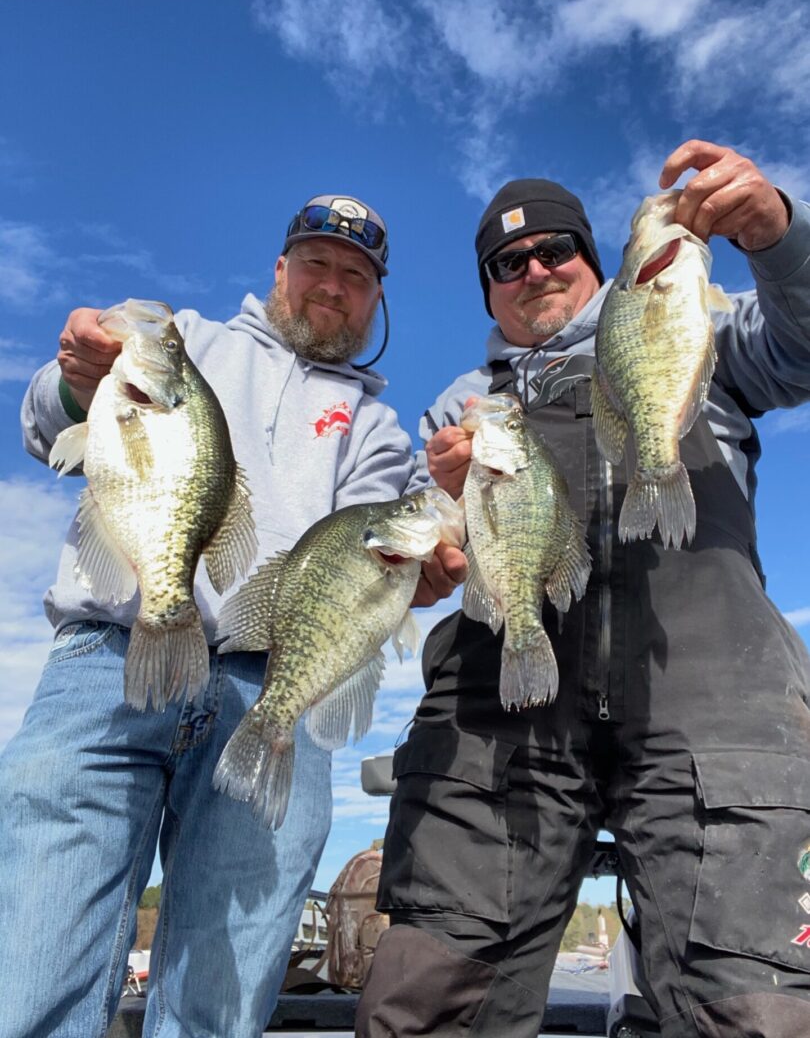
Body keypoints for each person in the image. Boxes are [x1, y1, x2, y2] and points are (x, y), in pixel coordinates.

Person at [357, 141, 810, 1038]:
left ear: (598, 263)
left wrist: (780, 238)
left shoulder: (699, 325)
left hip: (716, 718)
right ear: (488, 289)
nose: (534, 270)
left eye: (556, 249)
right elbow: (421, 562)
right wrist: (427, 548)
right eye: (506, 263)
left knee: (755, 1009)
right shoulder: (457, 407)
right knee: (430, 1001)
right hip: (500, 726)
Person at [0, 193, 465, 1038]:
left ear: (377, 301)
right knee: (32, 965)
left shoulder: (378, 430)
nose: (333, 286)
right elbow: (45, 427)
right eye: (317, 264)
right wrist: (73, 383)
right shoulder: (184, 343)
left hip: (269, 684)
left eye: (356, 277)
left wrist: (408, 578)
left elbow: (361, 558)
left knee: (222, 997)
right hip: (110, 657)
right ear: (279, 270)